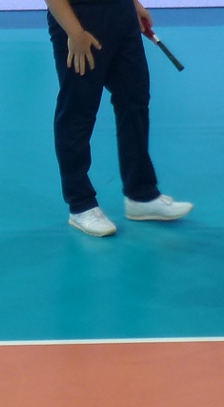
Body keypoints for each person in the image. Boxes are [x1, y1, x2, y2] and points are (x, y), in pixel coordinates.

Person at [44, 0, 193, 236]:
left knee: (135, 101)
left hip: (122, 16)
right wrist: (74, 32)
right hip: (81, 20)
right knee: (78, 112)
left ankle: (141, 195)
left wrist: (133, 5)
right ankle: (81, 205)